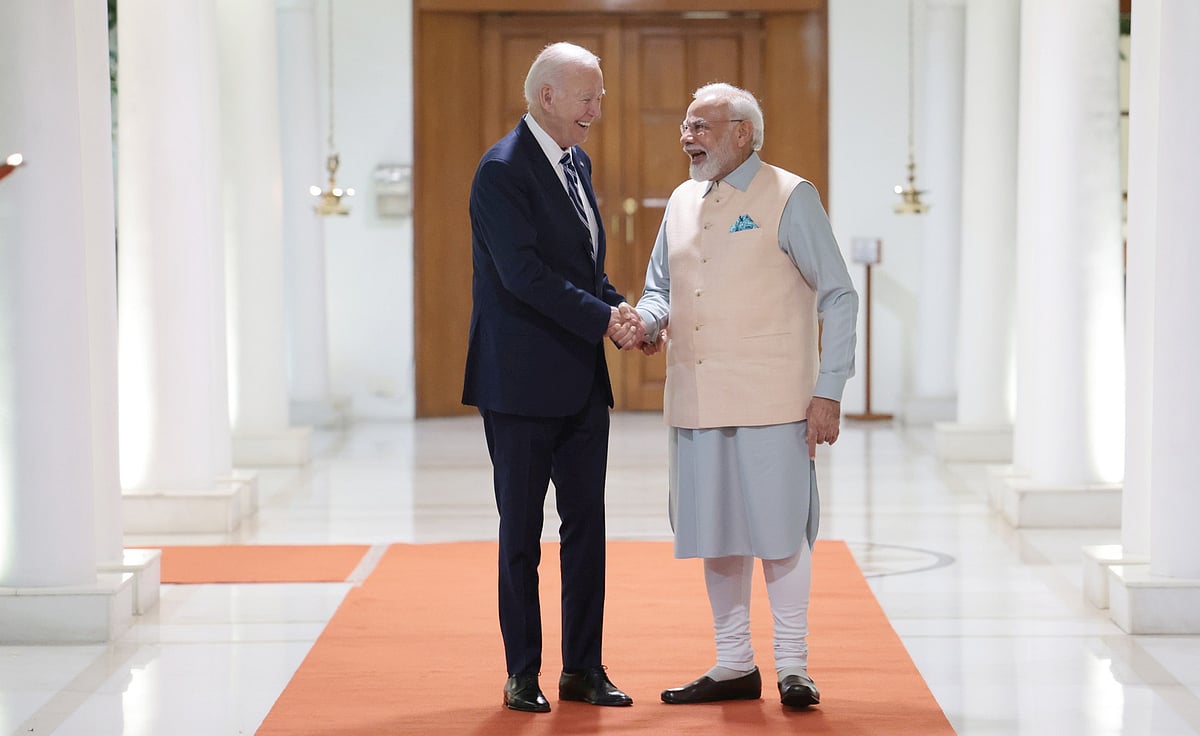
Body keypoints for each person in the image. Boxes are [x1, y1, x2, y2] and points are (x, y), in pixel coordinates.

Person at [634, 82, 858, 709]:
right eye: (685, 125)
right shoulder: (680, 200)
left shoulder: (790, 195)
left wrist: (829, 390)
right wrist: (646, 321)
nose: (687, 136)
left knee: (781, 533)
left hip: (773, 400)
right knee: (717, 532)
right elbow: (659, 289)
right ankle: (734, 663)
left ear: (743, 133)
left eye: (701, 126)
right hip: (696, 398)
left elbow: (839, 294)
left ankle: (794, 667)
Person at [462, 41, 644, 714]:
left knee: (586, 529)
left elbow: (582, 268)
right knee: (521, 535)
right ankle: (522, 671)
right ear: (547, 97)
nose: (597, 109)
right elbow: (525, 276)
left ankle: (583, 669)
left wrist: (621, 309)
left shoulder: (576, 162)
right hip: (518, 385)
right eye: (587, 98)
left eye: (599, 97)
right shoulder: (502, 171)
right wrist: (605, 320)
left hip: (580, 381)